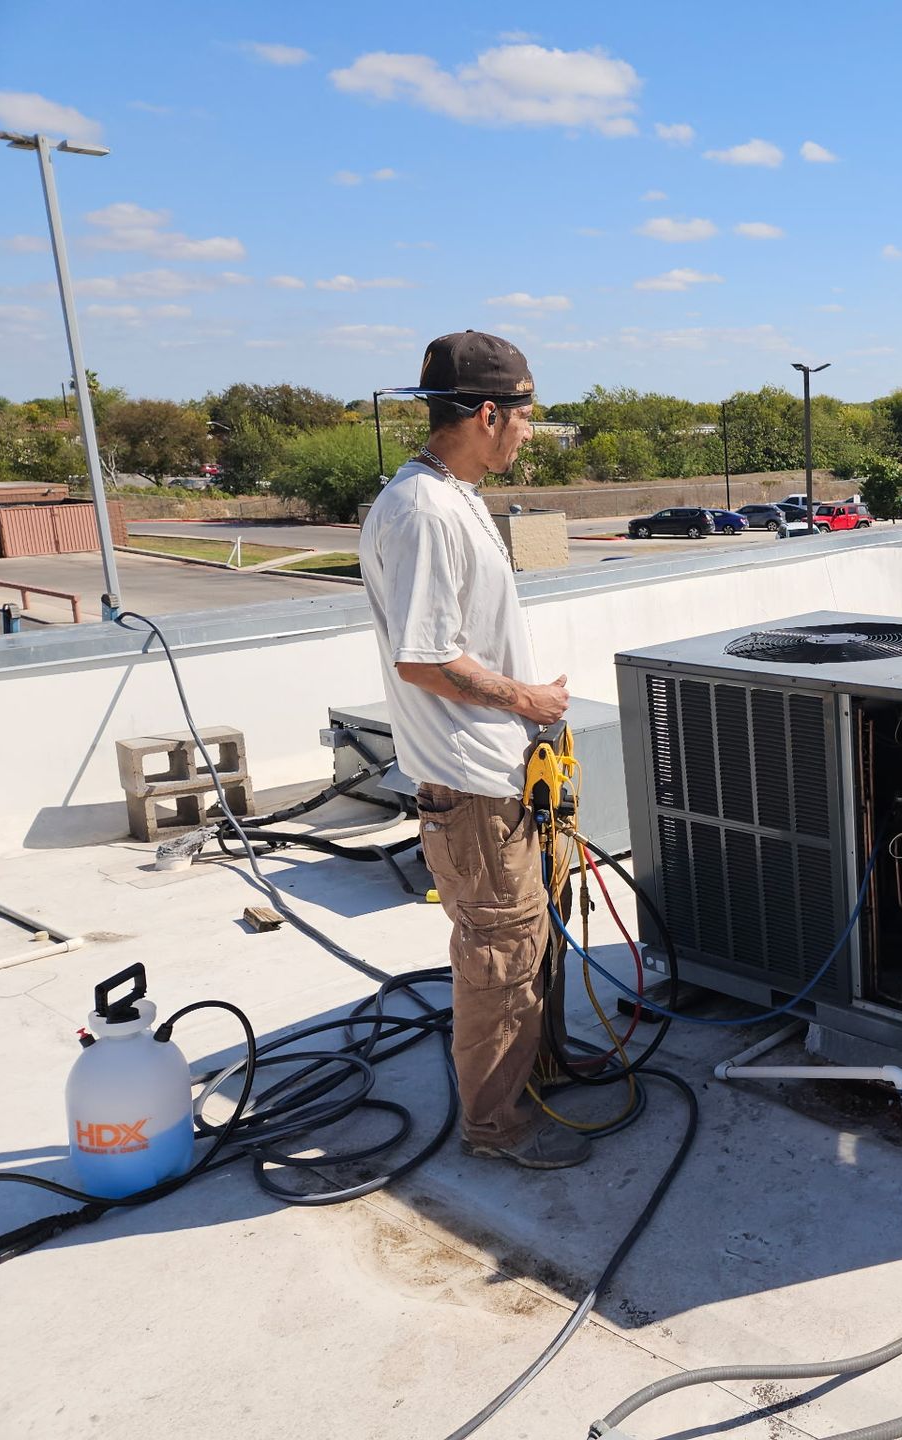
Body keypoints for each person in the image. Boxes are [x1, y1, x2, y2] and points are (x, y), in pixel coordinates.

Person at [359, 331, 585, 1169]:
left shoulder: (449, 497)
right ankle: (495, 1129)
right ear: (488, 414)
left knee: (523, 945)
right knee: (500, 958)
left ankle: (533, 1079)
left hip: (500, 778)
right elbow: (424, 656)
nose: (530, 432)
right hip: (474, 789)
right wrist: (528, 699)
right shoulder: (422, 510)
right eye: (525, 417)